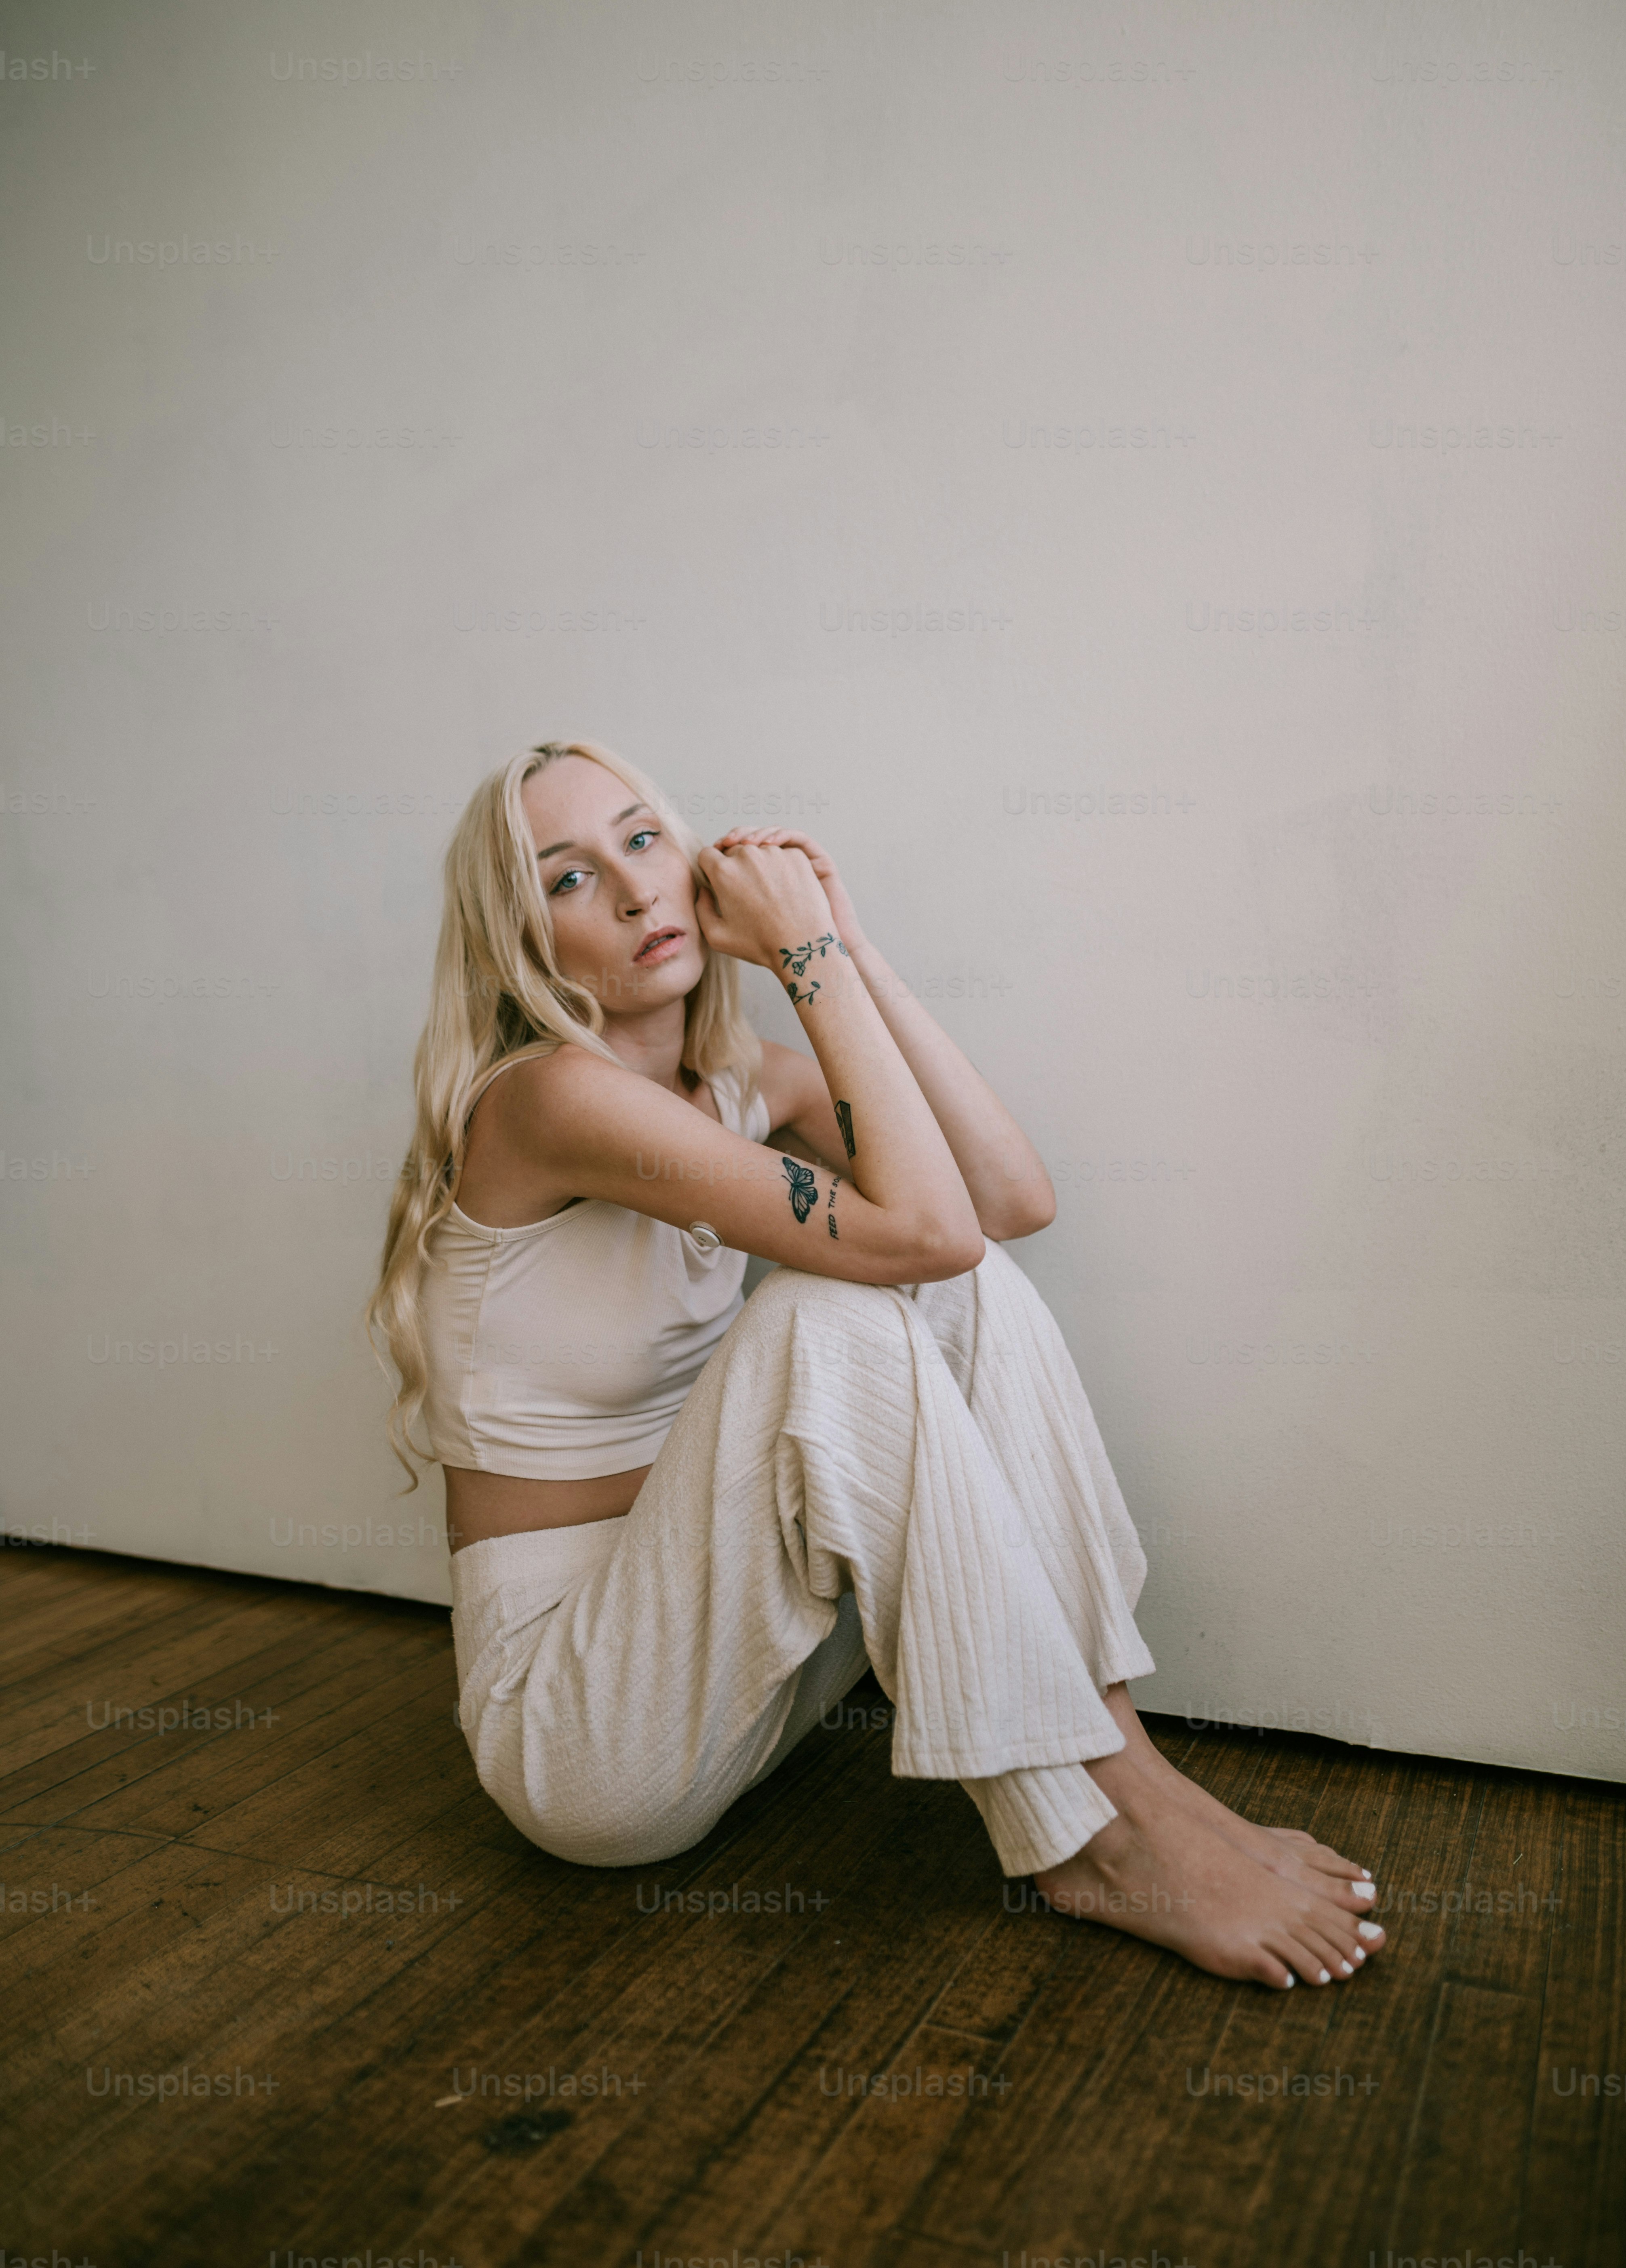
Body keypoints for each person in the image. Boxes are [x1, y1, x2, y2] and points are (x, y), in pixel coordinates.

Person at [367, 738, 1386, 1992]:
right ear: (523, 938)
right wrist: (799, 956)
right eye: (569, 878)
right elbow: (924, 1228)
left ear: (689, 863)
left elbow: (1004, 1206)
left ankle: (1125, 1770)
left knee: (958, 1282)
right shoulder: (547, 1099)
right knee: (825, 1314)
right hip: (581, 1733)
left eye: (642, 840)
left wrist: (842, 946)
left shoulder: (735, 1085)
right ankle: (1096, 1839)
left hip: (743, 1659)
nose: (632, 892)